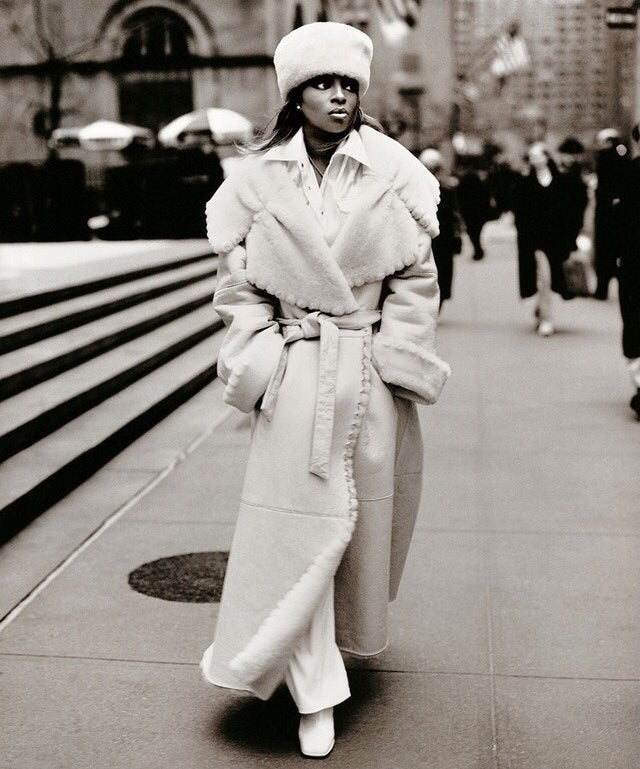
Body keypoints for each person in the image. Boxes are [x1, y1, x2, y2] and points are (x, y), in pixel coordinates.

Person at [200, 21, 450, 759]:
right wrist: (263, 362)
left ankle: (321, 660)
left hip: (368, 377)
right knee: (297, 528)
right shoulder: (255, 181)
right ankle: (316, 692)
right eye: (322, 83)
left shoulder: (395, 172)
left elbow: (417, 283)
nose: (338, 96)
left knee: (354, 532)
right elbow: (237, 290)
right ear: (295, 95)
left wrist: (397, 362)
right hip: (296, 377)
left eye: (347, 84)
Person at [514, 142, 574, 337]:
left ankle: (540, 307)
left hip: (556, 238)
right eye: (531, 156)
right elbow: (520, 212)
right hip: (535, 239)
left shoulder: (561, 180)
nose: (533, 159)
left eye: (537, 155)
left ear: (546, 157)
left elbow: (569, 209)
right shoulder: (526, 182)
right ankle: (547, 320)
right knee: (544, 278)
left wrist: (571, 235)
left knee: (551, 278)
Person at [419, 148, 463, 308]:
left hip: (437, 239)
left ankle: (434, 304)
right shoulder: (444, 190)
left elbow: (454, 216)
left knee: (438, 275)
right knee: (439, 275)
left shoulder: (444, 190)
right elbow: (455, 216)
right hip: (438, 239)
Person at [593, 128, 630, 300]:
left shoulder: (604, 158)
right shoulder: (623, 157)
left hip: (605, 211)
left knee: (603, 252)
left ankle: (602, 289)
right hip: (619, 211)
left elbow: (603, 186)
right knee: (618, 251)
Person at [619, 124, 640, 417]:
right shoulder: (630, 172)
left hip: (633, 260)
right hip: (634, 260)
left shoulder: (629, 172)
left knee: (635, 319)